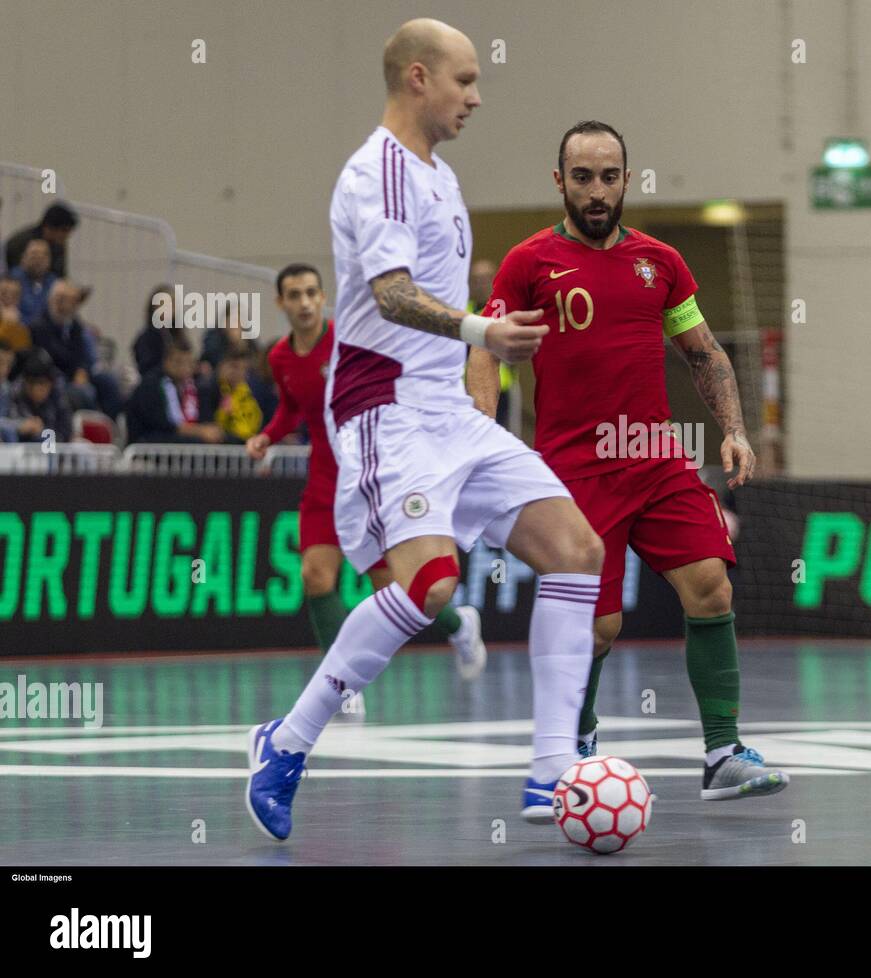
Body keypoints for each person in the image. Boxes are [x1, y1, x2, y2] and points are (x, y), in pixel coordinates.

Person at [245, 19, 605, 842]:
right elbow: (393, 292)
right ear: (417, 78)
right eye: (464, 81)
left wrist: (476, 354)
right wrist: (485, 334)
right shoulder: (377, 173)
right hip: (385, 406)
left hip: (448, 408)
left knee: (578, 551)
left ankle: (551, 773)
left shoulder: (438, 176)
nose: (476, 96)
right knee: (431, 585)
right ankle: (287, 743)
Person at [483, 120, 788, 802]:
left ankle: (722, 754)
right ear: (559, 181)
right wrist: (484, 437)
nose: (597, 191)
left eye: (610, 176)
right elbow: (486, 351)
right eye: (583, 177)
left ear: (628, 180)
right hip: (575, 469)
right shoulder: (528, 264)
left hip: (656, 460)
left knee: (711, 586)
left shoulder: (661, 263)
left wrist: (733, 430)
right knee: (598, 625)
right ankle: (577, 742)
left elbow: (705, 353)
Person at [246, 262, 487, 703]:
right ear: (281, 303)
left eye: (311, 293)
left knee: (398, 592)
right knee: (316, 576)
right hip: (323, 480)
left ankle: (458, 624)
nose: (304, 303)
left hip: (370, 473)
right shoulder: (279, 357)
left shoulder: (348, 342)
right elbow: (293, 410)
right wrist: (267, 435)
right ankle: (342, 683)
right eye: (294, 295)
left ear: (322, 298)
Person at [29, 279, 124, 416]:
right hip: (56, 376)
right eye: (69, 301)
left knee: (108, 382)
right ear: (56, 300)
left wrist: (82, 370)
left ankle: (111, 425)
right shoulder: (39, 326)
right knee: (84, 392)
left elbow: (82, 352)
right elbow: (54, 355)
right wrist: (76, 371)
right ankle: (93, 428)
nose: (73, 306)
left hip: (76, 373)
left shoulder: (75, 325)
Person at [124, 333, 224, 444]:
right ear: (166, 361)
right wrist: (199, 431)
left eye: (189, 363)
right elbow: (161, 424)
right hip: (151, 444)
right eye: (178, 362)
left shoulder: (197, 386)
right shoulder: (150, 386)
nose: (184, 368)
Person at [467, 257, 516, 428]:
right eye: (476, 280)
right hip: (469, 388)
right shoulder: (463, 311)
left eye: (485, 279)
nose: (481, 285)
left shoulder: (505, 310)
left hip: (502, 388)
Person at [5, 348, 72, 444]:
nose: (35, 389)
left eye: (41, 383)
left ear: (50, 384)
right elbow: (7, 425)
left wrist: (43, 431)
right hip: (21, 447)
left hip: (53, 448)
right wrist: (21, 426)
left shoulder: (58, 397)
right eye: (31, 383)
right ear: (25, 382)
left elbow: (66, 432)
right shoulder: (14, 393)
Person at [5, 201, 78, 279]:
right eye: (64, 230)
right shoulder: (19, 242)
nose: (67, 236)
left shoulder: (58, 245)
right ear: (49, 227)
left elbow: (60, 276)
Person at [11, 238, 55, 325]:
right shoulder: (12, 280)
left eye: (43, 257)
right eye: (34, 256)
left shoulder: (54, 283)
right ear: (23, 258)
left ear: (49, 261)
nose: (38, 261)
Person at [0, 275, 31, 354]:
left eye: (14, 295)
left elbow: (22, 350)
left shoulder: (24, 323)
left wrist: (13, 325)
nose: (9, 298)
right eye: (4, 293)